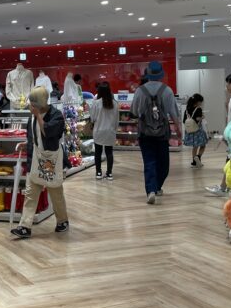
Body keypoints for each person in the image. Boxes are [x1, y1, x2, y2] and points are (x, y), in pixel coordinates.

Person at [10, 86, 69, 238]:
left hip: (50, 161)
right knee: (30, 193)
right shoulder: (32, 117)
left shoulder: (56, 116)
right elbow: (34, 136)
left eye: (33, 103)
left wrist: (38, 116)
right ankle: (25, 226)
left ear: (40, 103)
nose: (30, 106)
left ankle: (62, 220)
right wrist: (26, 144)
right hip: (35, 160)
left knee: (55, 192)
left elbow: (47, 132)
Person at [130, 61, 181, 204]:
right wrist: (178, 129)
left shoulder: (140, 91)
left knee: (149, 162)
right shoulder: (167, 90)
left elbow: (134, 112)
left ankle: (151, 190)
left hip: (145, 133)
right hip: (162, 133)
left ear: (148, 74)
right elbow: (174, 113)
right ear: (161, 75)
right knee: (163, 163)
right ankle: (157, 187)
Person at [89, 82, 118, 180]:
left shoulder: (96, 103)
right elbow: (116, 120)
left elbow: (92, 118)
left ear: (99, 91)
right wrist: (114, 130)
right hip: (110, 131)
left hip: (98, 131)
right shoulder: (115, 103)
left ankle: (98, 172)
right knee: (109, 152)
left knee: (98, 152)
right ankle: (109, 173)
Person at [183, 93, 208, 168]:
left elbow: (184, 121)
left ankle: (194, 162)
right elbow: (197, 119)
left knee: (195, 146)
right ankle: (198, 157)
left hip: (189, 131)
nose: (201, 103)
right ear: (197, 101)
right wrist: (202, 117)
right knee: (203, 145)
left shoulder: (187, 109)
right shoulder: (198, 109)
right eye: (201, 101)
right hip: (197, 130)